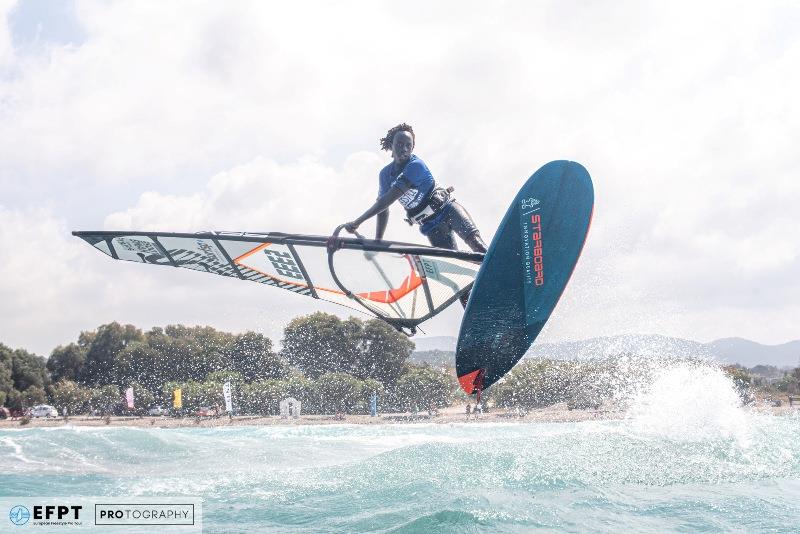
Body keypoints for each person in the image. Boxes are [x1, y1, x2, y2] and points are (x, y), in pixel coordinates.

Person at [342, 123, 487, 306]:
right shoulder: (385, 174)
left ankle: (507, 276)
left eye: (408, 145)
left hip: (449, 210)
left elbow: (388, 200)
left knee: (477, 246)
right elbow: (383, 209)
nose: (403, 149)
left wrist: (358, 222)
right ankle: (475, 315)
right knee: (455, 277)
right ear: (390, 146)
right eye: (399, 144)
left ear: (412, 147)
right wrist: (378, 242)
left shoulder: (415, 165)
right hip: (432, 226)